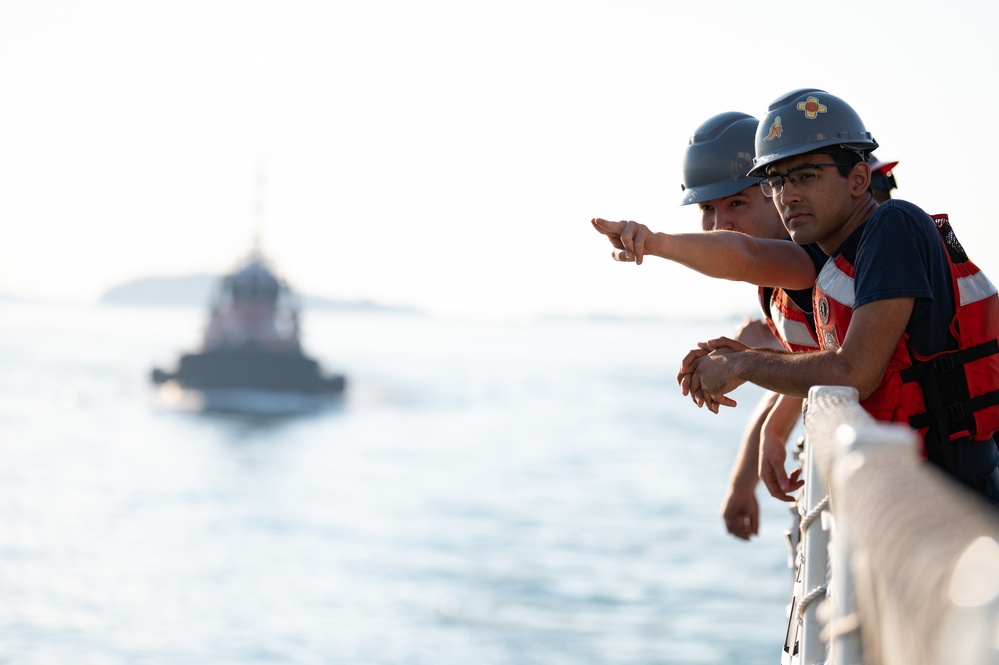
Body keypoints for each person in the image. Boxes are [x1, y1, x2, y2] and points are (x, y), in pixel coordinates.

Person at [678, 89, 999, 504]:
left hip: (956, 503)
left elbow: (853, 372)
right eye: (777, 181)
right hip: (905, 497)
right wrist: (764, 405)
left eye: (806, 175)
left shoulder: (893, 228)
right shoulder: (837, 260)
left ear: (860, 178)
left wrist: (742, 363)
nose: (788, 194)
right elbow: (832, 360)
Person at [592, 111, 818, 539]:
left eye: (736, 203)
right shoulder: (777, 286)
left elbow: (741, 255)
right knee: (749, 336)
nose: (720, 225)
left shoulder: (812, 256)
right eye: (707, 209)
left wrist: (655, 242)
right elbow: (807, 362)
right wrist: (741, 483)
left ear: (775, 192)